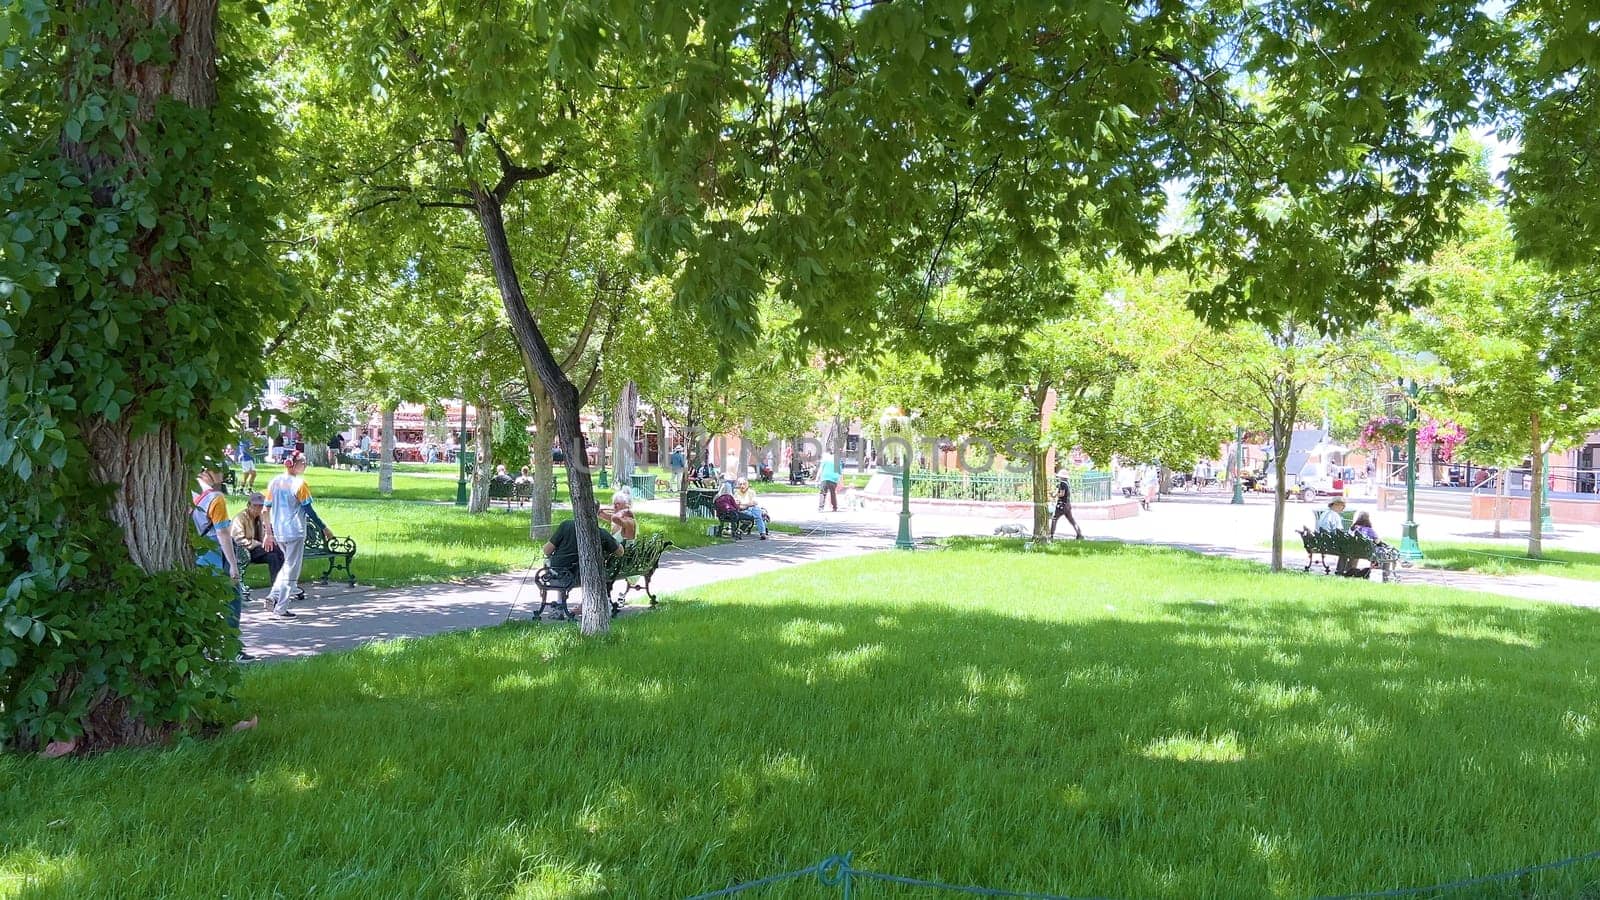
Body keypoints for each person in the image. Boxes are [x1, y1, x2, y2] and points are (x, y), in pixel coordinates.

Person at [262, 451, 333, 619]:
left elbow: (266, 509)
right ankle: (281, 608)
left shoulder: (275, 482)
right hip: (295, 530)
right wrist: (323, 527)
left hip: (279, 531)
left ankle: (273, 596)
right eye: (303, 462)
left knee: (287, 566)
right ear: (293, 464)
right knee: (291, 571)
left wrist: (268, 533)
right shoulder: (300, 484)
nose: (305, 465)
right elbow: (309, 509)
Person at [192, 458, 247, 658]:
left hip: (194, 555)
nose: (224, 474)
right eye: (221, 470)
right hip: (215, 556)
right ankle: (232, 648)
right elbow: (223, 533)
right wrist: (233, 565)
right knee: (233, 599)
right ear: (208, 471)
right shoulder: (216, 498)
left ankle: (198, 648)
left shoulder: (187, 491)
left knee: (201, 604)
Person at [540, 516, 623, 613]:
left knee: (550, 563)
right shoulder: (601, 533)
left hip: (560, 577)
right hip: (585, 577)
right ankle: (561, 603)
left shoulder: (566, 525)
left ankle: (560, 603)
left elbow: (547, 550)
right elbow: (620, 552)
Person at [232, 491, 285, 589]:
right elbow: (238, 540)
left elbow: (268, 532)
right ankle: (284, 584)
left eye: (261, 506)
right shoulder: (240, 518)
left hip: (260, 551)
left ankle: (277, 586)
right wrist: (258, 544)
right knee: (276, 550)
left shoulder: (262, 517)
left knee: (273, 556)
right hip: (246, 551)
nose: (258, 508)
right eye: (255, 505)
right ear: (248, 505)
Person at [1049, 471, 1084, 540]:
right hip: (1067, 504)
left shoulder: (1062, 484)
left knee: (1054, 519)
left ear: (1061, 477)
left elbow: (1062, 494)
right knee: (1071, 520)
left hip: (1061, 505)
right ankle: (1079, 534)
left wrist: (1054, 495)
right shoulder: (1067, 483)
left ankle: (1051, 535)